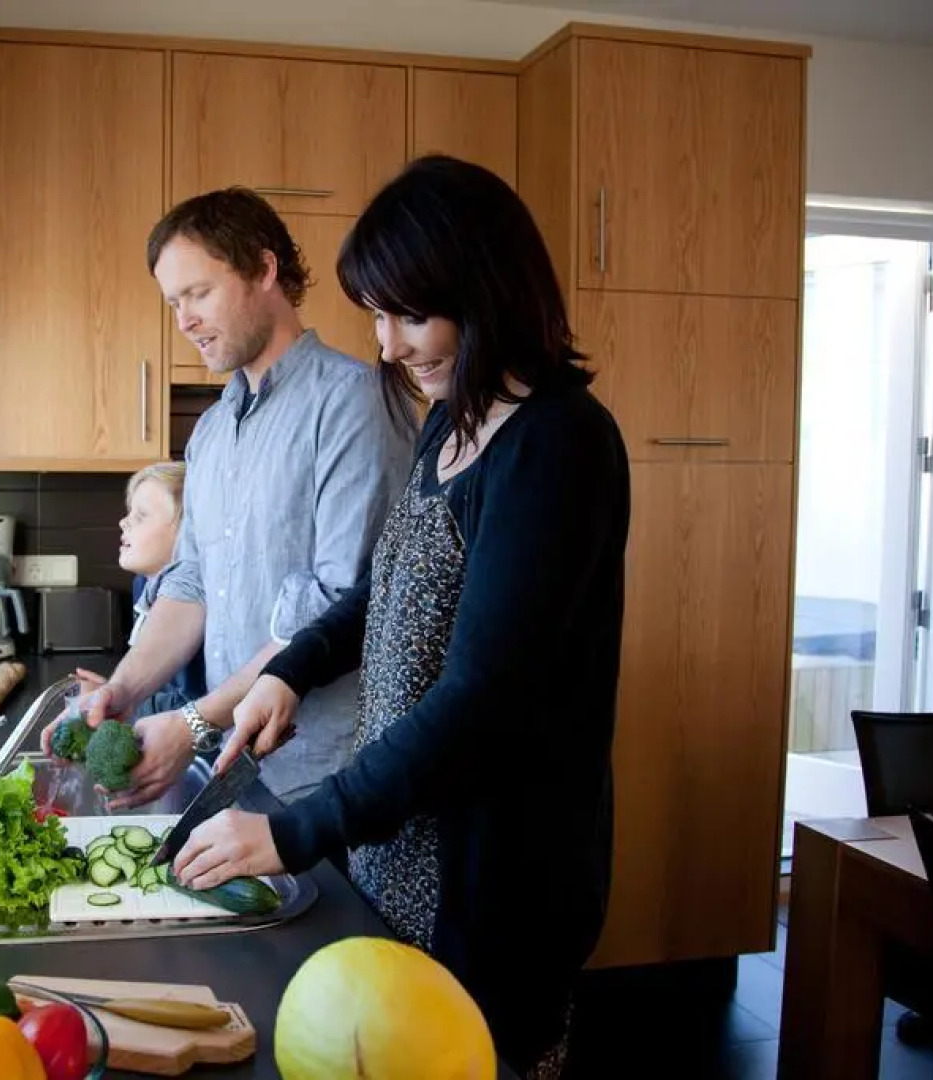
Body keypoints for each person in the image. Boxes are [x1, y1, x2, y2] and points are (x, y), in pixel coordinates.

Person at [168, 156, 631, 1079]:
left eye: (407, 314)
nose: (384, 344)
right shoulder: (451, 423)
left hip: (497, 870)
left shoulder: (559, 443)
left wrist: (297, 830)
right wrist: (289, 668)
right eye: (375, 315)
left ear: (486, 290)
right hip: (404, 838)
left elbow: (481, 701)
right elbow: (385, 594)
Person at [49, 187, 414, 809]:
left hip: (328, 779)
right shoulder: (214, 432)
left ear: (264, 269)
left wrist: (195, 723)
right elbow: (190, 584)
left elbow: (336, 609)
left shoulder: (353, 403)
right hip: (238, 769)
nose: (184, 319)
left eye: (198, 293)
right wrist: (126, 687)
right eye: (173, 303)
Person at [74, 462, 205, 719]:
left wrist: (118, 702)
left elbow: (192, 700)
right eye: (129, 512)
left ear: (189, 530)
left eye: (141, 515)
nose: (124, 522)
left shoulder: (197, 601)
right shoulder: (143, 585)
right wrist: (112, 693)